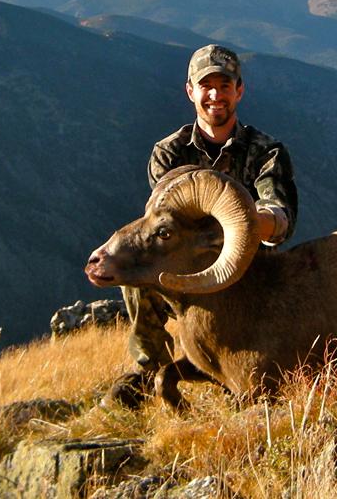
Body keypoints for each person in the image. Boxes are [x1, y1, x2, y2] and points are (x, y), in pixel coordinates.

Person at [106, 44, 298, 408]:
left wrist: (253, 222)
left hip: (244, 260)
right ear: (190, 91)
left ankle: (243, 365)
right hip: (186, 256)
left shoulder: (265, 150)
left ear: (239, 90)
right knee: (138, 271)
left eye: (224, 86)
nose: (215, 95)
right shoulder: (169, 152)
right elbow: (162, 222)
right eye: (205, 86)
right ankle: (151, 368)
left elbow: (280, 215)